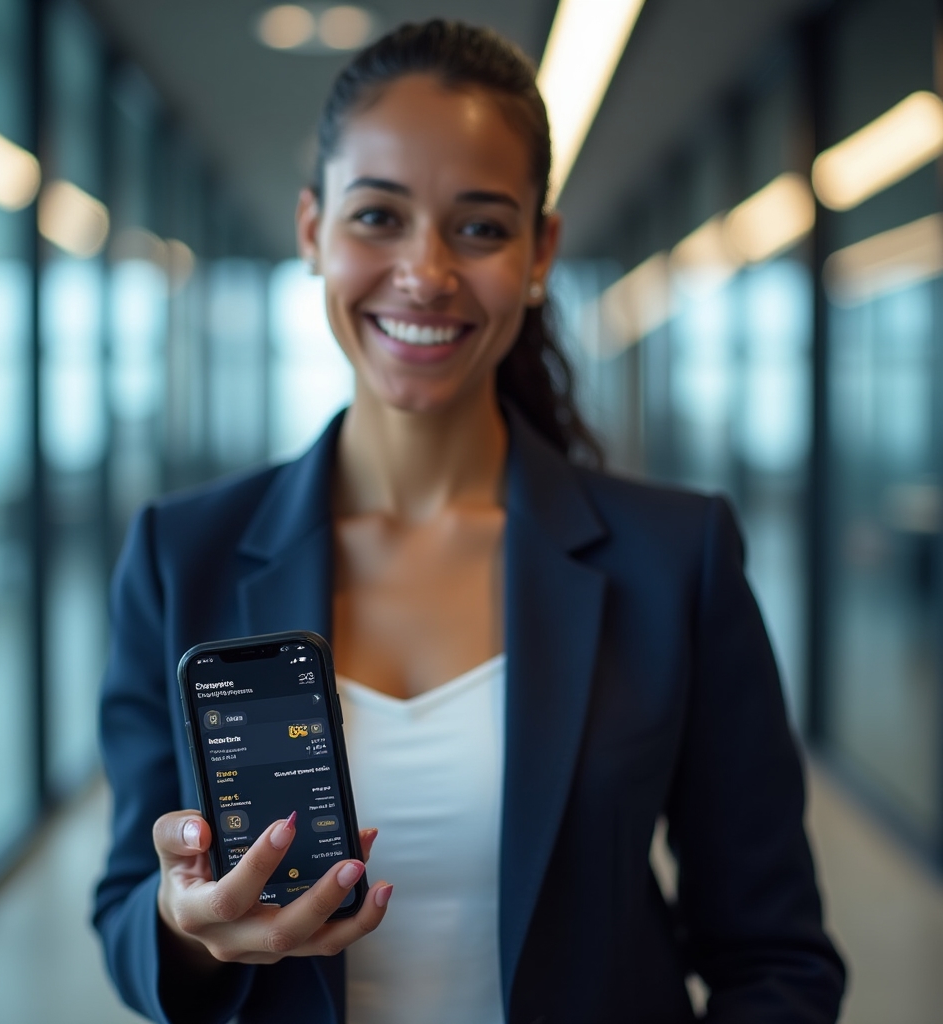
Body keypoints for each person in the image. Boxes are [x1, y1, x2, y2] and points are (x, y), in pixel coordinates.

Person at [94, 19, 845, 1024]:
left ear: (540, 251)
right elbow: (124, 913)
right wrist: (186, 924)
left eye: (481, 227)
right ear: (312, 229)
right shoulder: (179, 557)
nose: (427, 271)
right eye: (378, 217)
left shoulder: (677, 560)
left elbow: (775, 956)